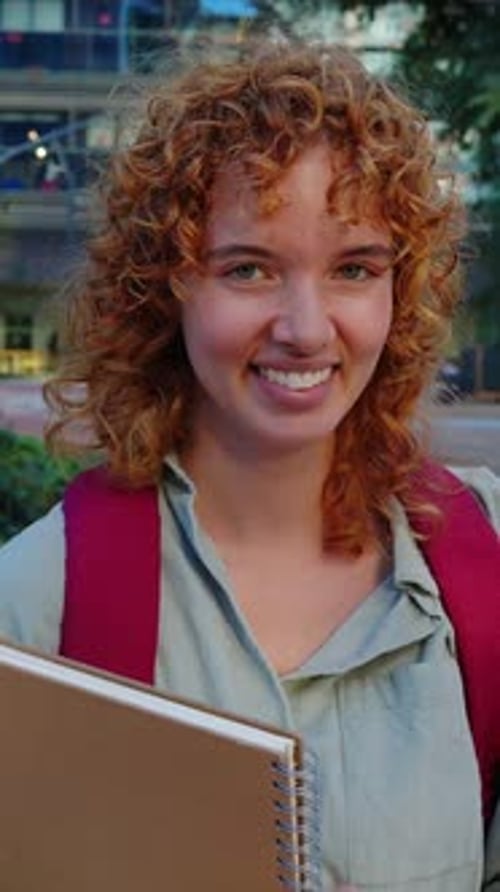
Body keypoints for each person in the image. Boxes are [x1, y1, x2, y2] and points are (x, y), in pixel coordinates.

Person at [0, 36, 499, 891]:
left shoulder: (482, 559)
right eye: (249, 269)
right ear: (166, 285)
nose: (306, 328)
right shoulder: (38, 602)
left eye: (353, 268)